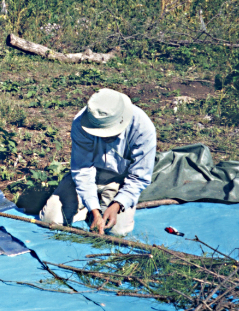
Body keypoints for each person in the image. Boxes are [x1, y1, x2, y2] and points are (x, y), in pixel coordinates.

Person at [39, 88, 156, 236]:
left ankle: (104, 206)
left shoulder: (142, 128)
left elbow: (139, 177)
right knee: (49, 219)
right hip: (89, 177)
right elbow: (82, 170)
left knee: (116, 231)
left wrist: (116, 205)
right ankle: (90, 209)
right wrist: (94, 211)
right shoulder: (82, 122)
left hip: (119, 181)